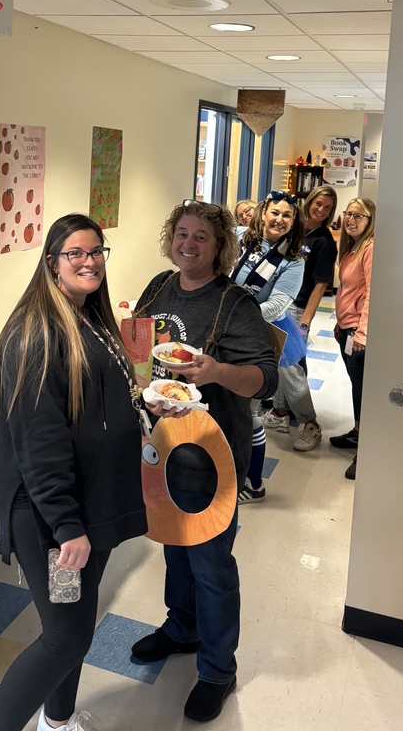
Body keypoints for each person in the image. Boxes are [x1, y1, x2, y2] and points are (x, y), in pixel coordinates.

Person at [0, 214, 147, 731]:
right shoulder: (35, 333)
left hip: (88, 501)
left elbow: (101, 404)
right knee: (64, 636)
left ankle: (58, 721)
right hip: (51, 513)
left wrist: (149, 412)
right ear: (52, 263)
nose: (89, 261)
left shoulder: (87, 316)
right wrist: (68, 525)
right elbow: (40, 440)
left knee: (77, 624)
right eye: (75, 253)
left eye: (96, 251)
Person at [129, 200, 277, 723]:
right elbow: (140, 345)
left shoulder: (234, 303)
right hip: (160, 449)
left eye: (201, 238)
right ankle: (181, 628)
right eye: (182, 234)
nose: (188, 245)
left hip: (212, 458)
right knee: (175, 547)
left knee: (212, 566)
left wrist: (215, 371)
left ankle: (217, 669)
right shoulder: (158, 287)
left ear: (220, 247)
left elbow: (264, 377)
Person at [230, 191, 309, 499]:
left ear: (293, 221)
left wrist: (233, 313)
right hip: (222, 335)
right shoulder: (239, 238)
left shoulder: (294, 261)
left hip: (258, 339)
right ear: (263, 213)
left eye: (287, 215)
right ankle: (227, 471)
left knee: (247, 412)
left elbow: (277, 306)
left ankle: (254, 483)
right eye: (275, 213)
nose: (279, 219)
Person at [260, 185, 339, 451]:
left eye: (328, 207)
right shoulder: (292, 230)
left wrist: (304, 322)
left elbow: (320, 285)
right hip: (272, 302)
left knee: (290, 366)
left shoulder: (324, 241)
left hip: (294, 308)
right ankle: (281, 414)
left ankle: (310, 423)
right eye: (318, 203)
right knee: (278, 363)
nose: (321, 209)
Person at [330, 198, 376, 481]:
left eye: (359, 215)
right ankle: (359, 432)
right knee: (356, 386)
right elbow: (348, 291)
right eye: (348, 214)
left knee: (364, 391)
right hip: (346, 328)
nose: (351, 219)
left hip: (358, 332)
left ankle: (367, 449)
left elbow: (372, 291)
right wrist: (340, 322)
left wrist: (362, 331)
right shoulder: (351, 248)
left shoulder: (371, 248)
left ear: (371, 221)